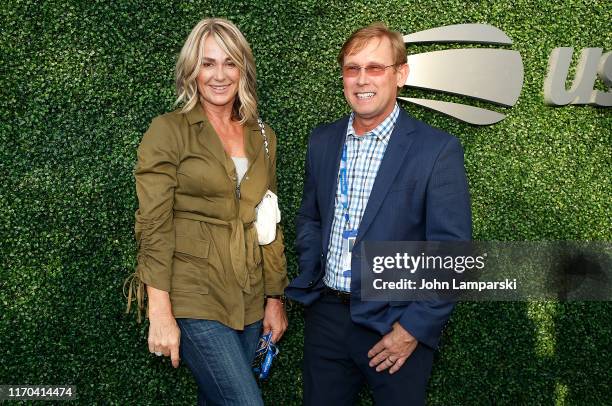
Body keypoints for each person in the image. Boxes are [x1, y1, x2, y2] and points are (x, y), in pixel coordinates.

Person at [285, 22, 471, 405]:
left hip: (396, 325)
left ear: (400, 74)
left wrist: (412, 329)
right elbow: (311, 217)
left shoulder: (436, 151)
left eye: (375, 67)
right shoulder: (322, 140)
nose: (361, 79)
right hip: (327, 318)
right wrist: (312, 268)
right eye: (352, 68)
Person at [126, 18, 288, 406]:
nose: (219, 75)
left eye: (229, 63)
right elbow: (154, 223)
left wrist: (275, 298)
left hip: (248, 296)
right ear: (191, 71)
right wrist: (160, 312)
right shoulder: (169, 131)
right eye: (207, 63)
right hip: (193, 292)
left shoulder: (262, 136)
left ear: (243, 70)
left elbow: (268, 222)